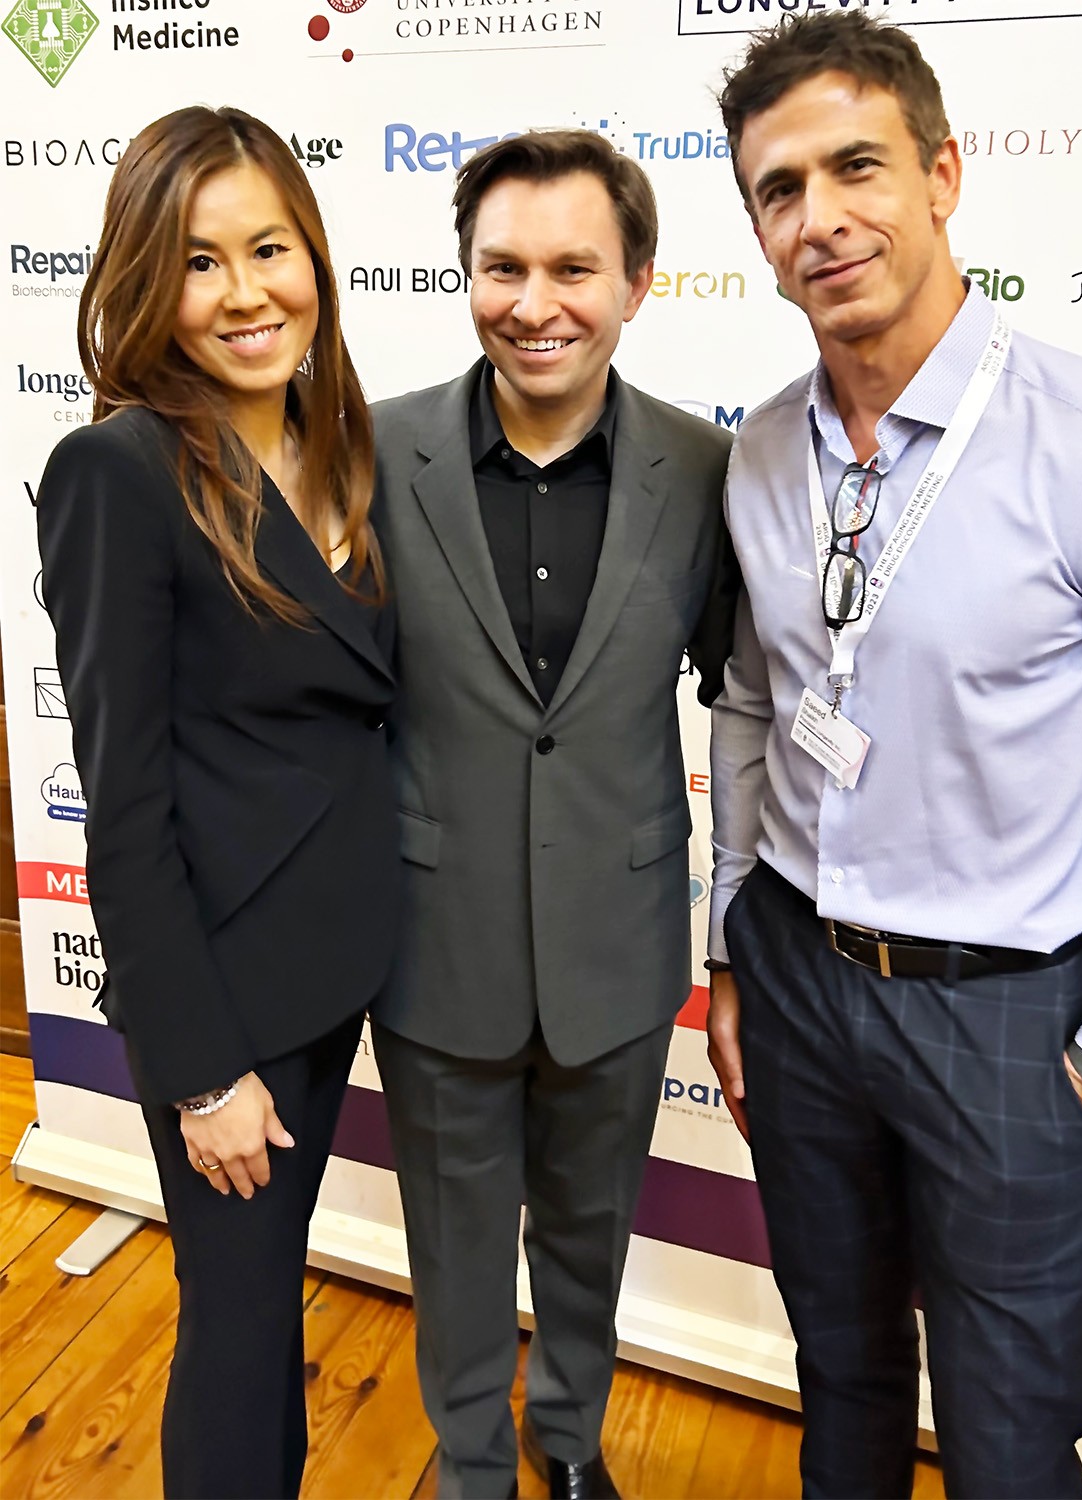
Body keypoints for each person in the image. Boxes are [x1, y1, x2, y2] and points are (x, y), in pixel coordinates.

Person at [703, 13, 1082, 1500]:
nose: (821, 217)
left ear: (943, 174)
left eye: (856, 166)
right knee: (840, 1385)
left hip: (1009, 1020)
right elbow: (747, 699)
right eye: (780, 190)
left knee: (1005, 1441)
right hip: (795, 980)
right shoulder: (761, 452)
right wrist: (732, 943)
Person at [37, 106, 398, 1500]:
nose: (247, 292)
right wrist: (200, 1073)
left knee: (263, 1314)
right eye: (199, 262)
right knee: (244, 1334)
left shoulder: (346, 441)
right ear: (146, 284)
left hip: (353, 953)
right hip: (233, 996)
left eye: (270, 248)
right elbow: (120, 806)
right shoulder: (119, 472)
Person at [371, 130, 735, 1500]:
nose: (536, 302)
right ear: (465, 273)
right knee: (455, 1243)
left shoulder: (705, 470)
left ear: (638, 282)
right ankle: (469, 1460)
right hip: (430, 938)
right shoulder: (375, 447)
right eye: (503, 267)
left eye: (575, 267)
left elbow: (743, 698)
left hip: (619, 939)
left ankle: (568, 1443)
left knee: (590, 1232)